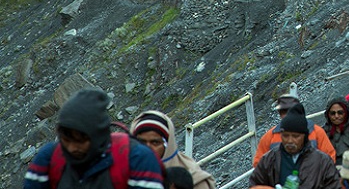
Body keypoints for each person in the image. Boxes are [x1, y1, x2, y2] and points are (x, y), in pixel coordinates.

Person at [24, 88, 164, 189]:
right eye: (66, 140)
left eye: (81, 141)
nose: (72, 148)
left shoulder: (137, 159)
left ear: (98, 135)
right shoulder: (48, 159)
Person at [250, 103, 340, 189]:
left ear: (305, 136)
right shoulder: (269, 159)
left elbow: (334, 185)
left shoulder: (322, 161)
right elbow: (255, 184)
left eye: (295, 136)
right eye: (285, 136)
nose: (290, 141)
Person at [131, 111, 216, 189]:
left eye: (155, 142)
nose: (147, 148)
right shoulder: (123, 171)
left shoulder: (195, 179)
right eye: (141, 142)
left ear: (167, 145)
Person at [252, 94, 336, 167]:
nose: (287, 115)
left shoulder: (317, 132)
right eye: (283, 112)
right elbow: (259, 163)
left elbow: (329, 158)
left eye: (290, 110)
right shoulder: (270, 136)